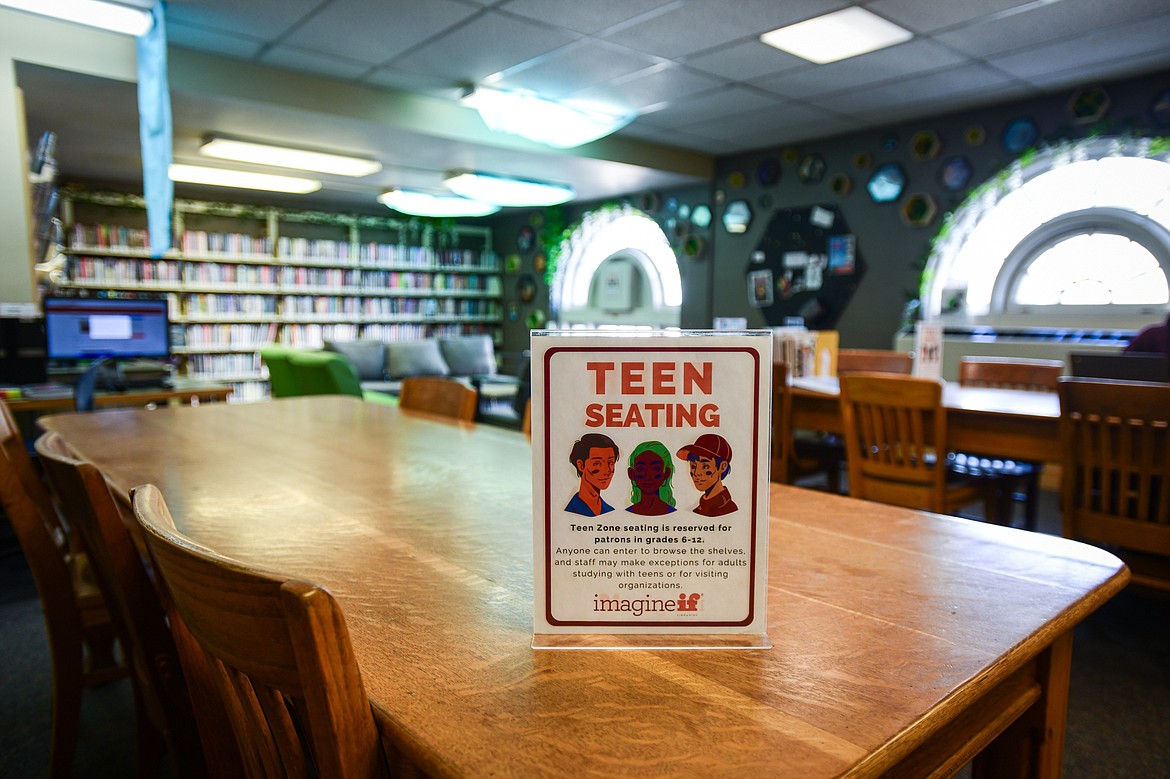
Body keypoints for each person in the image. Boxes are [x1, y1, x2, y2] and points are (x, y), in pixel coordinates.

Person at [676, 433, 738, 517]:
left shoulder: (728, 509)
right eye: (693, 466)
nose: (696, 473)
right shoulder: (699, 509)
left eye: (705, 466)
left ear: (722, 467)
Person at [565, 433, 619, 516]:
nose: (607, 471)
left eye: (610, 462)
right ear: (581, 465)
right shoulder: (570, 511)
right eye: (597, 463)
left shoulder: (609, 511)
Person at [626, 440, 677, 516]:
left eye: (656, 469)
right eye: (640, 469)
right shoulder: (627, 513)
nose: (648, 476)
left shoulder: (673, 513)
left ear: (666, 473)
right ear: (631, 473)